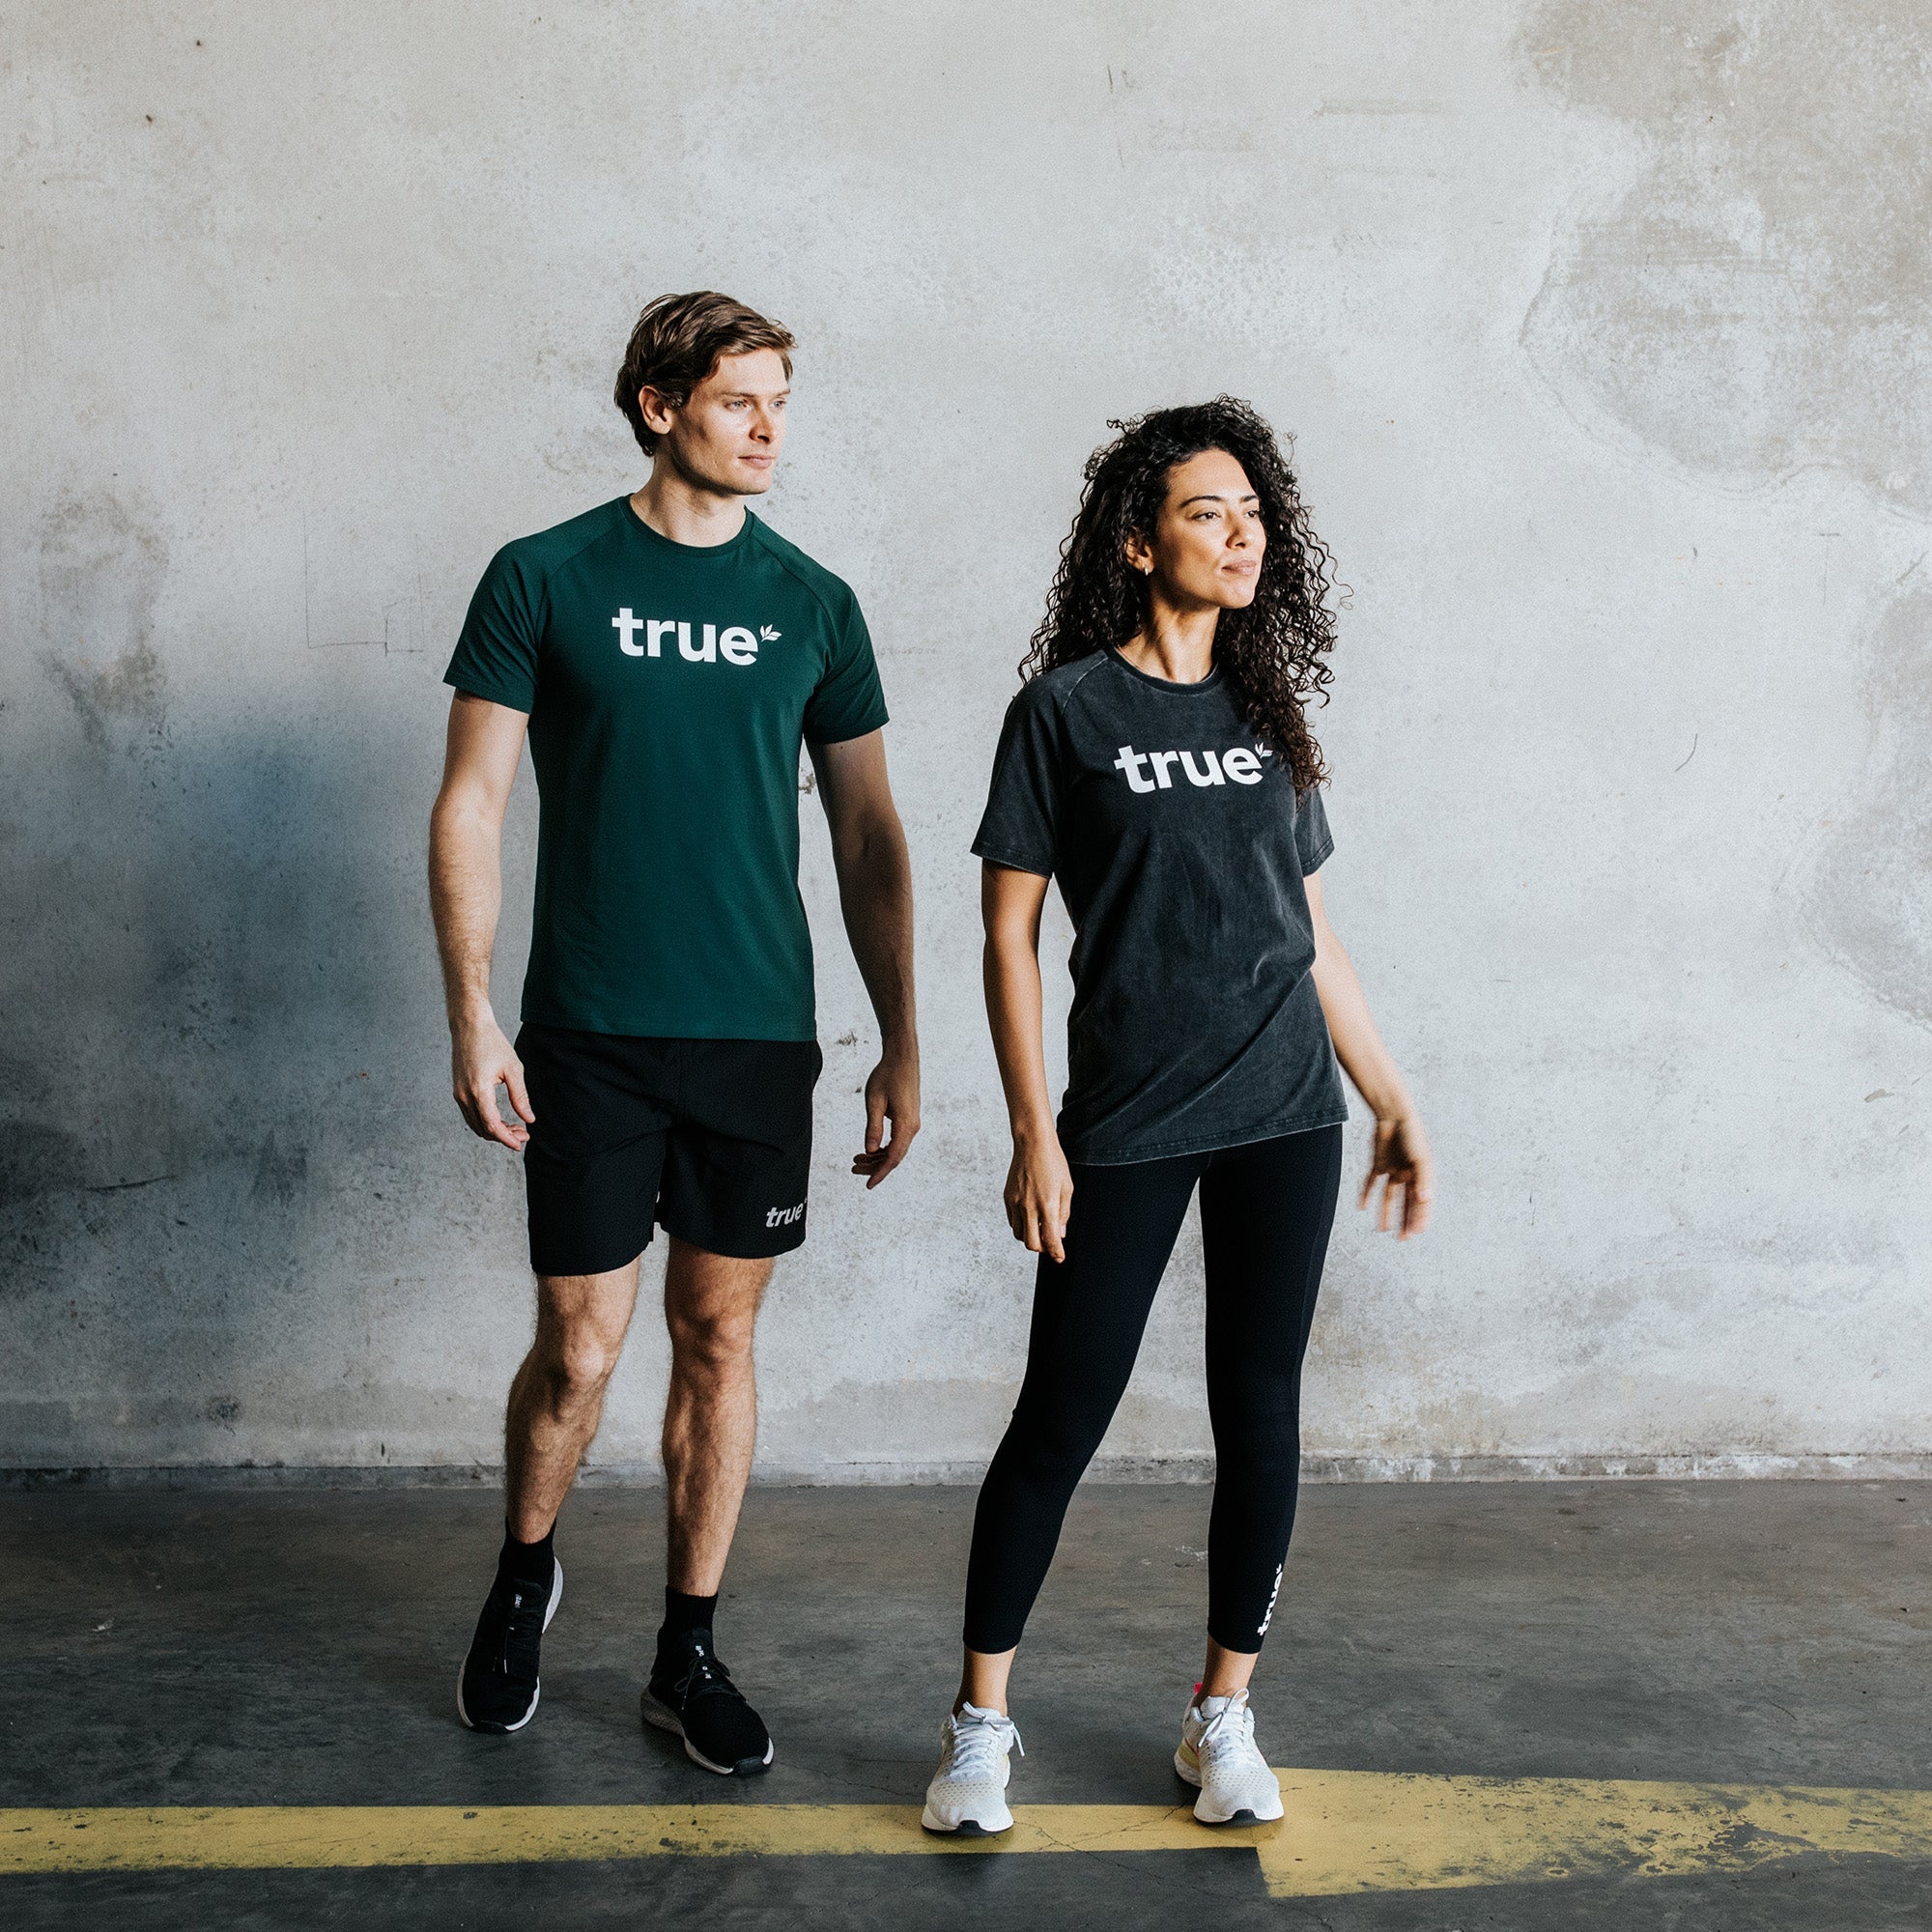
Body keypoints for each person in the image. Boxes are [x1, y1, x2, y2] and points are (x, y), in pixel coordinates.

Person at [922, 399, 1432, 1834]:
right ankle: (978, 1728)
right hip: (1128, 1116)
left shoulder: (1271, 715)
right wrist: (1034, 1130)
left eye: (1254, 513)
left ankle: (1223, 1716)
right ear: (1140, 542)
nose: (1242, 533)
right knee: (1062, 1414)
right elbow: (1006, 936)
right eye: (1211, 511)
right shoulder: (1067, 713)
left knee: (1259, 1414)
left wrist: (1388, 1095)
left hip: (1286, 1107)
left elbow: (1312, 932)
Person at [429, 291, 919, 1776]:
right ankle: (524, 1575)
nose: (771, 427)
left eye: (782, 400)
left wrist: (903, 1039)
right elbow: (472, 803)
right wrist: (470, 1010)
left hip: (757, 1039)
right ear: (660, 407)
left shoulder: (814, 602)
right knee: (580, 1353)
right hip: (587, 1031)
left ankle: (685, 1652)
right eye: (740, 400)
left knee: (719, 1337)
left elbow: (871, 835)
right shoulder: (544, 577)